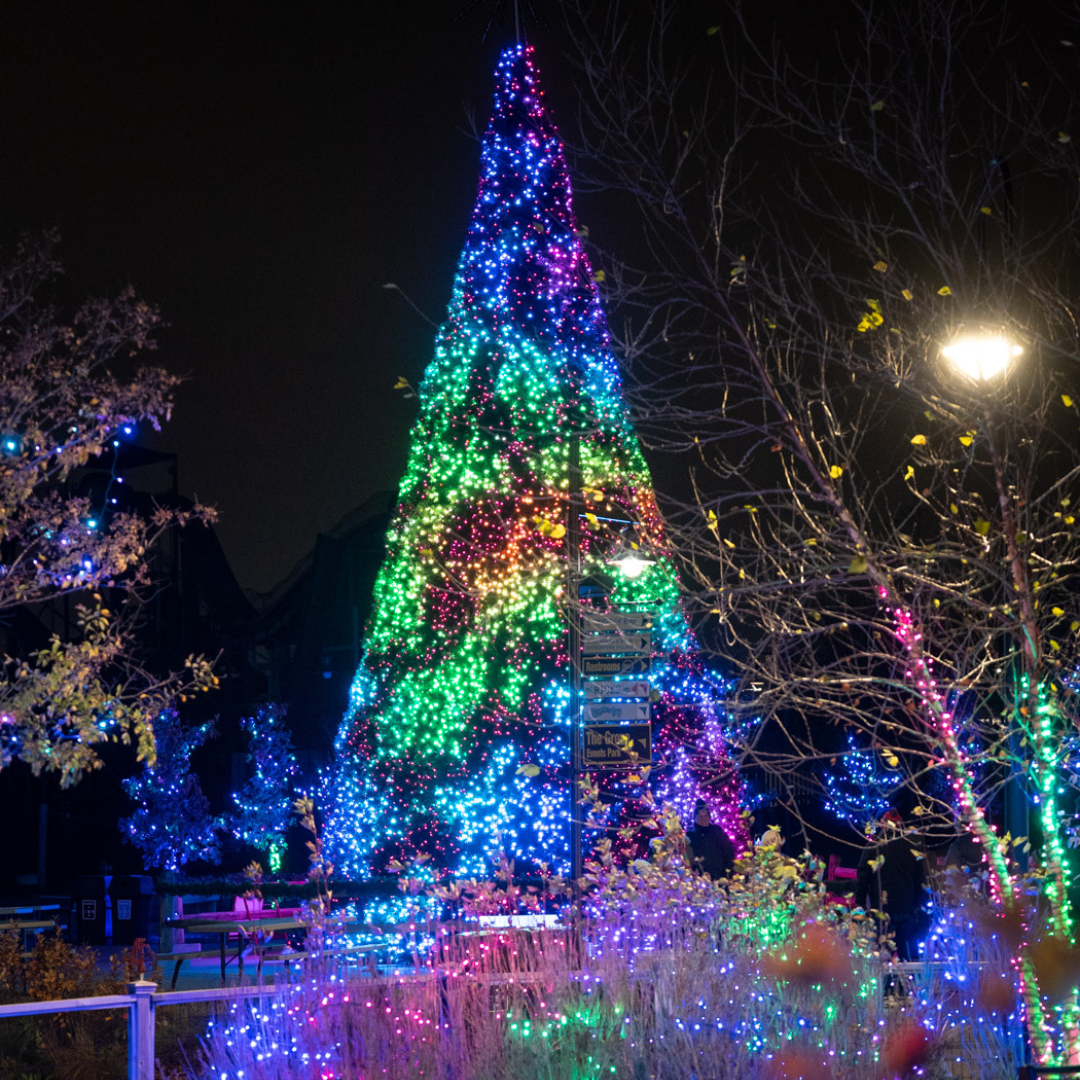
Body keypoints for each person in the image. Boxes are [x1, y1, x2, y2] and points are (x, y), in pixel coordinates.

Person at [855, 809, 930, 961]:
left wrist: (860, 903)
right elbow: (920, 880)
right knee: (907, 956)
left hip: (883, 909)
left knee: (883, 957)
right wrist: (919, 906)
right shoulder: (912, 846)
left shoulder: (874, 846)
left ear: (883, 825)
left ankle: (886, 984)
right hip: (907, 908)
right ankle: (907, 984)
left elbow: (863, 876)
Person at [686, 800, 736, 880]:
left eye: (706, 816)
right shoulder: (690, 836)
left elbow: (728, 854)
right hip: (700, 879)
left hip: (720, 877)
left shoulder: (718, 832)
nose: (703, 819)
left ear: (709, 817)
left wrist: (728, 874)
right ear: (695, 818)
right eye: (700, 816)